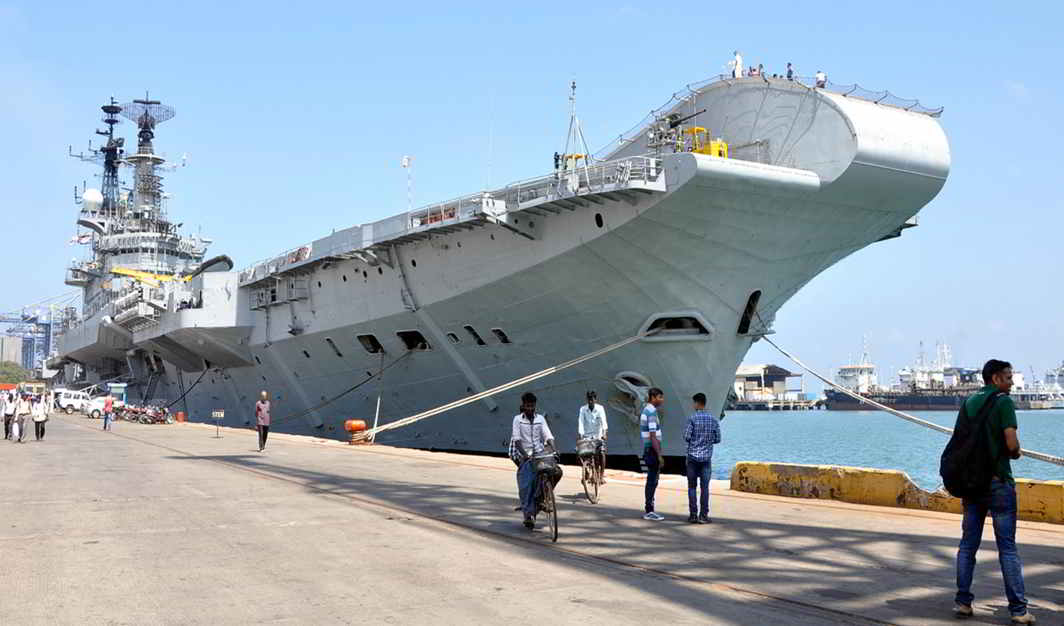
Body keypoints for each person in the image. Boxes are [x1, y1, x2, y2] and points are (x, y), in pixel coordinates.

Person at [953, 360, 1034, 623]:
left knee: (967, 546)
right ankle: (1019, 611)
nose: (1012, 382)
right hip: (998, 482)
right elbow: (1011, 442)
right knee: (1007, 548)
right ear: (997, 378)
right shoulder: (1003, 402)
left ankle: (963, 603)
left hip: (972, 483)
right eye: (1009, 378)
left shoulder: (969, 401)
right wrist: (1016, 452)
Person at [511, 392, 555, 529]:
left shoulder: (541, 419)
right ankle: (528, 515)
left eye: (532, 406)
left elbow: (548, 435)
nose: (530, 409)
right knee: (526, 484)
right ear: (523, 406)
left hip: (540, 453)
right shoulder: (517, 419)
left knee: (557, 472)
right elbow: (517, 440)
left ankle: (544, 497)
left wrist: (554, 449)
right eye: (527, 406)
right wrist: (524, 455)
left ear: (535, 406)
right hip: (526, 454)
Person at [682, 393, 721, 524]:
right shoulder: (713, 419)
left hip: (692, 457)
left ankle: (693, 515)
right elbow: (718, 439)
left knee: (692, 487)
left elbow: (686, 437)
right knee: (705, 488)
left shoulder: (692, 418)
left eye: (694, 403)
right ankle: (703, 516)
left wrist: (696, 441)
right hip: (706, 459)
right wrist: (707, 441)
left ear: (697, 403)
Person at [640, 387, 665, 521]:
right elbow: (653, 435)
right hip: (652, 450)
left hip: (649, 449)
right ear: (653, 397)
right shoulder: (651, 412)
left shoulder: (646, 410)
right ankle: (649, 510)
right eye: (660, 397)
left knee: (652, 480)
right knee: (652, 480)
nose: (662, 400)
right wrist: (659, 454)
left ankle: (650, 508)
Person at [577, 390, 608, 482]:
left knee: (602, 453)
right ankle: (585, 470)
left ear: (595, 400)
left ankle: (601, 475)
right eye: (589, 399)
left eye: (592, 399)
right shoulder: (582, 409)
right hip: (586, 436)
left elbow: (604, 422)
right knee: (578, 452)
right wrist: (580, 434)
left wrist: (604, 434)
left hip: (598, 436)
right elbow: (581, 422)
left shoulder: (600, 409)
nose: (590, 401)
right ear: (587, 400)